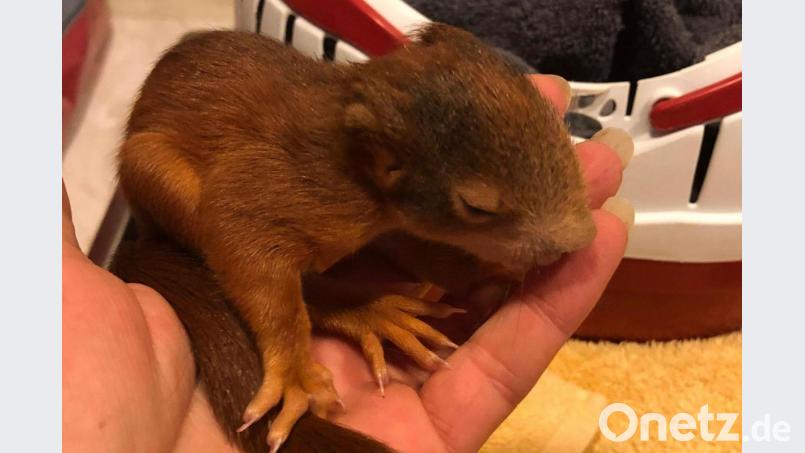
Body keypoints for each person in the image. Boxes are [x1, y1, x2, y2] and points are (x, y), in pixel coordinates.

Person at [63, 74, 632, 452]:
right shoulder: (331, 197)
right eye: (480, 206)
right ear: (385, 167)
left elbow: (413, 230)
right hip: (198, 196)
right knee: (165, 169)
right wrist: (297, 345)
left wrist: (469, 260)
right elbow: (245, 231)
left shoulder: (384, 185)